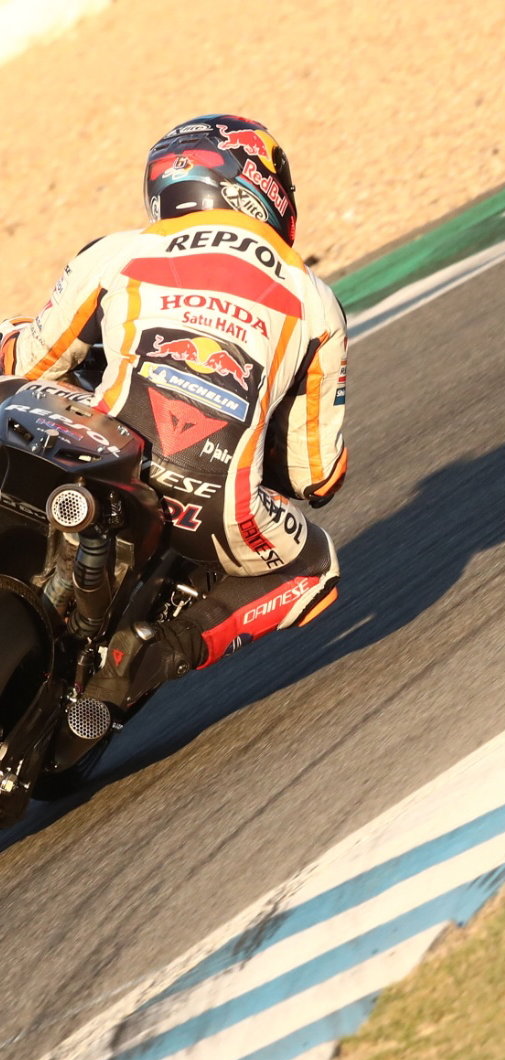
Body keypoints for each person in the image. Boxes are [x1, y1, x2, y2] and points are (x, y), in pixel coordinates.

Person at [0, 114, 348, 704]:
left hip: (97, 453)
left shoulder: (119, 250)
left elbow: (33, 360)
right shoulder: (316, 301)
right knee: (315, 566)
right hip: (210, 508)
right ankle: (162, 650)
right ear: (260, 186)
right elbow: (316, 476)